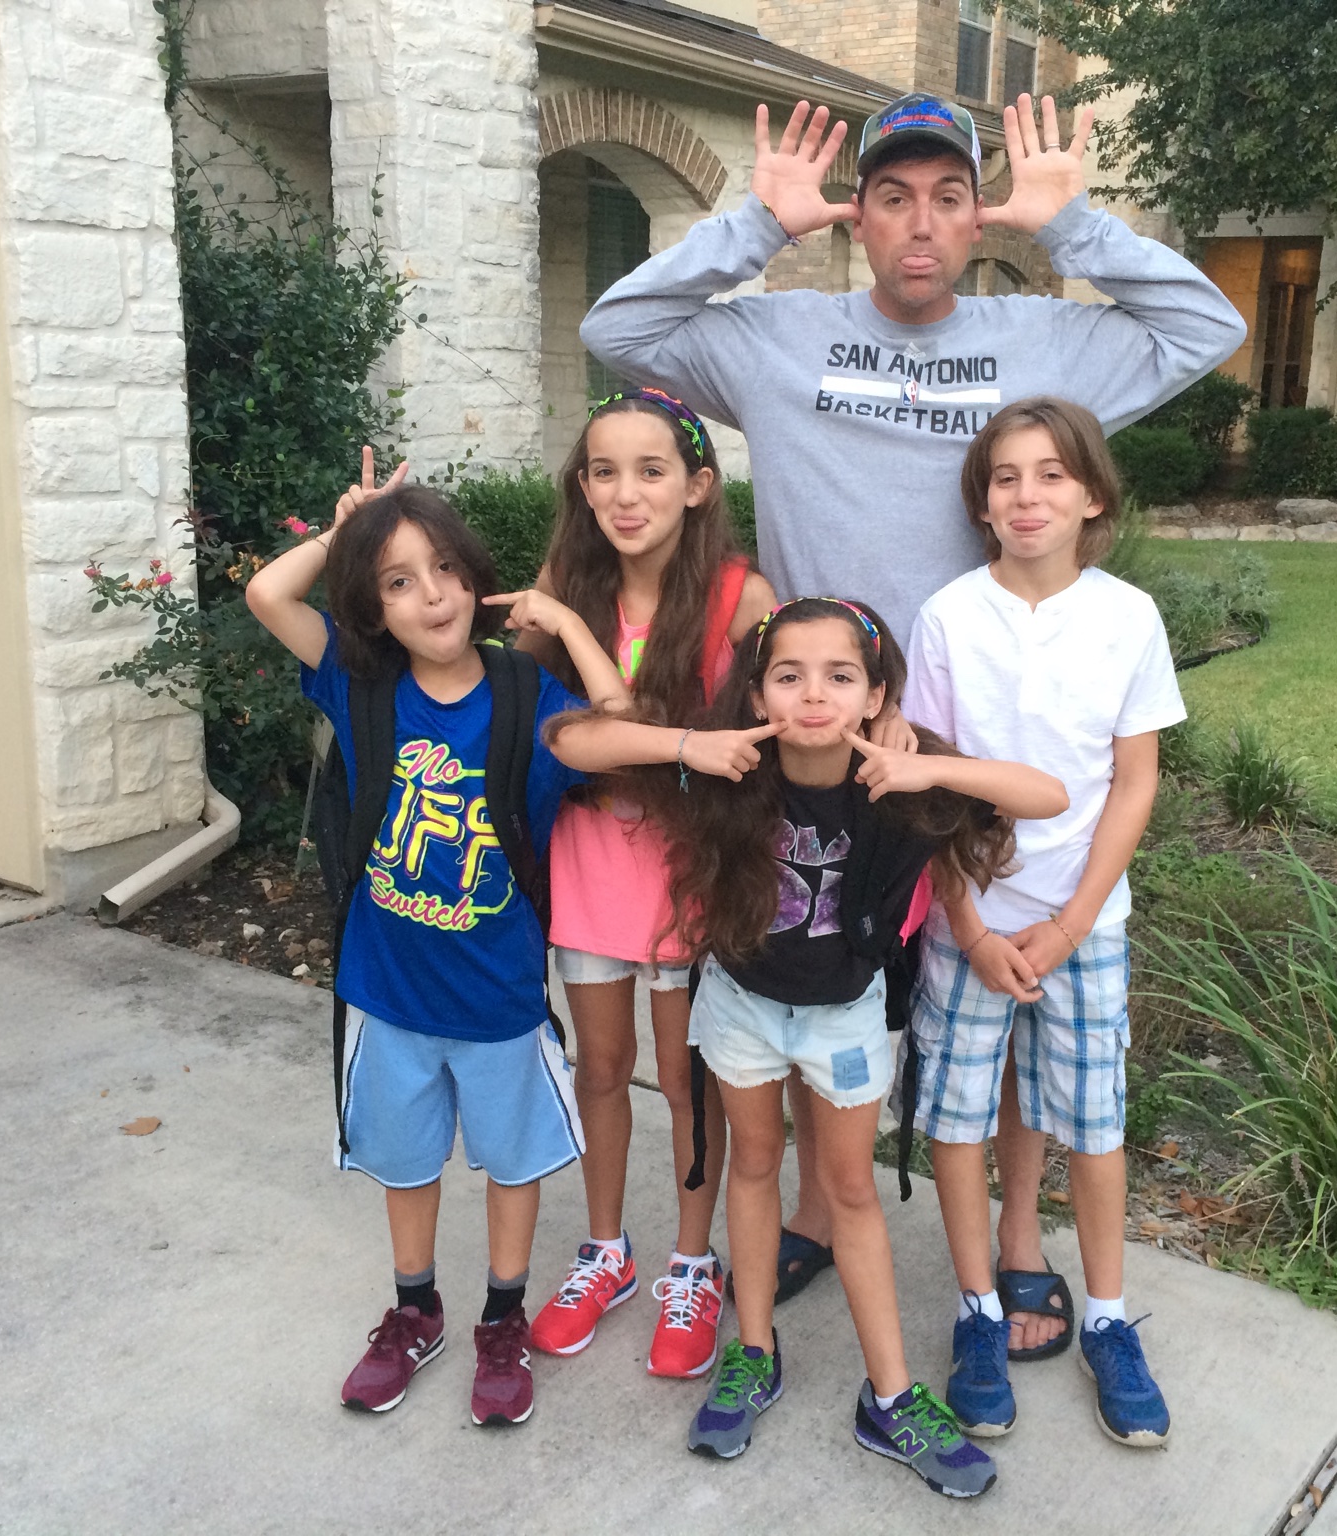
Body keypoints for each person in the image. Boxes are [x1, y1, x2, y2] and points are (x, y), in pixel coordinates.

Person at [581, 89, 1243, 1311]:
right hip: (808, 724)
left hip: (964, 738)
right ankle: (808, 1219)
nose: (921, 223)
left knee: (984, 1000)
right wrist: (752, 227)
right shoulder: (776, 335)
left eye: (948, 195)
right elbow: (617, 322)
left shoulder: (1042, 337)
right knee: (791, 968)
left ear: (977, 209)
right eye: (892, 196)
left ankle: (1019, 1245)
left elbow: (1205, 325)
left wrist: (1074, 227)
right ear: (861, 217)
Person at [549, 598, 1066, 1497]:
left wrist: (924, 764)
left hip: (846, 1019)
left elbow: (1046, 795)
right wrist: (684, 745)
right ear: (757, 690)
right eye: (789, 676)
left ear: (875, 697)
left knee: (848, 1189)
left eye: (840, 676)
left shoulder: (899, 782)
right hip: (743, 1007)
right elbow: (571, 744)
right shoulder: (730, 769)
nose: (814, 694)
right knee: (752, 1166)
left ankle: (892, 1397)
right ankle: (754, 1351)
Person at [245, 451, 627, 1428]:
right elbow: (264, 591)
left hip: (499, 999)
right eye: (397, 581)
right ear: (372, 609)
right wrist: (346, 530)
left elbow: (619, 727)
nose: (431, 594)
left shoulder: (525, 696)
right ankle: (415, 1308)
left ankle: (503, 1318)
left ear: (472, 573)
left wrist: (570, 625)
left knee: (510, 1163)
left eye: (444, 569)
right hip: (388, 994)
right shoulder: (357, 683)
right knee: (405, 1165)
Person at [900, 398, 1184, 1447]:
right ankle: (978, 1312)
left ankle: (1107, 1318)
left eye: (1050, 476)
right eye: (1006, 477)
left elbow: (1132, 780)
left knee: (1093, 1123)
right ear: (980, 502)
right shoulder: (945, 616)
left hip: (1083, 919)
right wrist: (969, 927)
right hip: (966, 919)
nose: (1027, 495)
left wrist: (1067, 924)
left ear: (1091, 497)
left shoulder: (1126, 617)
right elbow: (925, 785)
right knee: (958, 1117)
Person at [505, 388, 775, 1379]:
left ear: (698, 486)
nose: (626, 494)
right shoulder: (568, 582)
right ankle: (605, 1252)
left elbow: (767, 728)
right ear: (581, 486)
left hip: (692, 867)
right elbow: (535, 723)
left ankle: (691, 1266)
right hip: (586, 859)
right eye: (603, 472)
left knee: (690, 1079)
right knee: (601, 1068)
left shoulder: (740, 594)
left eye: (651, 470)